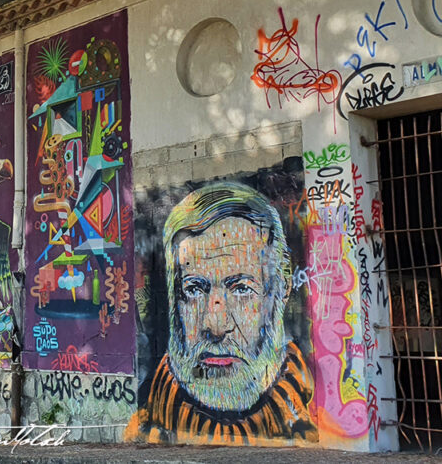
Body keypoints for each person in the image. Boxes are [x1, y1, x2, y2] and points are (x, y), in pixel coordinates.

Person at [125, 181, 315, 445]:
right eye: (193, 289)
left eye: (241, 289)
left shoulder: (316, 420)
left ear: (282, 287)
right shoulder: (142, 430)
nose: (215, 326)